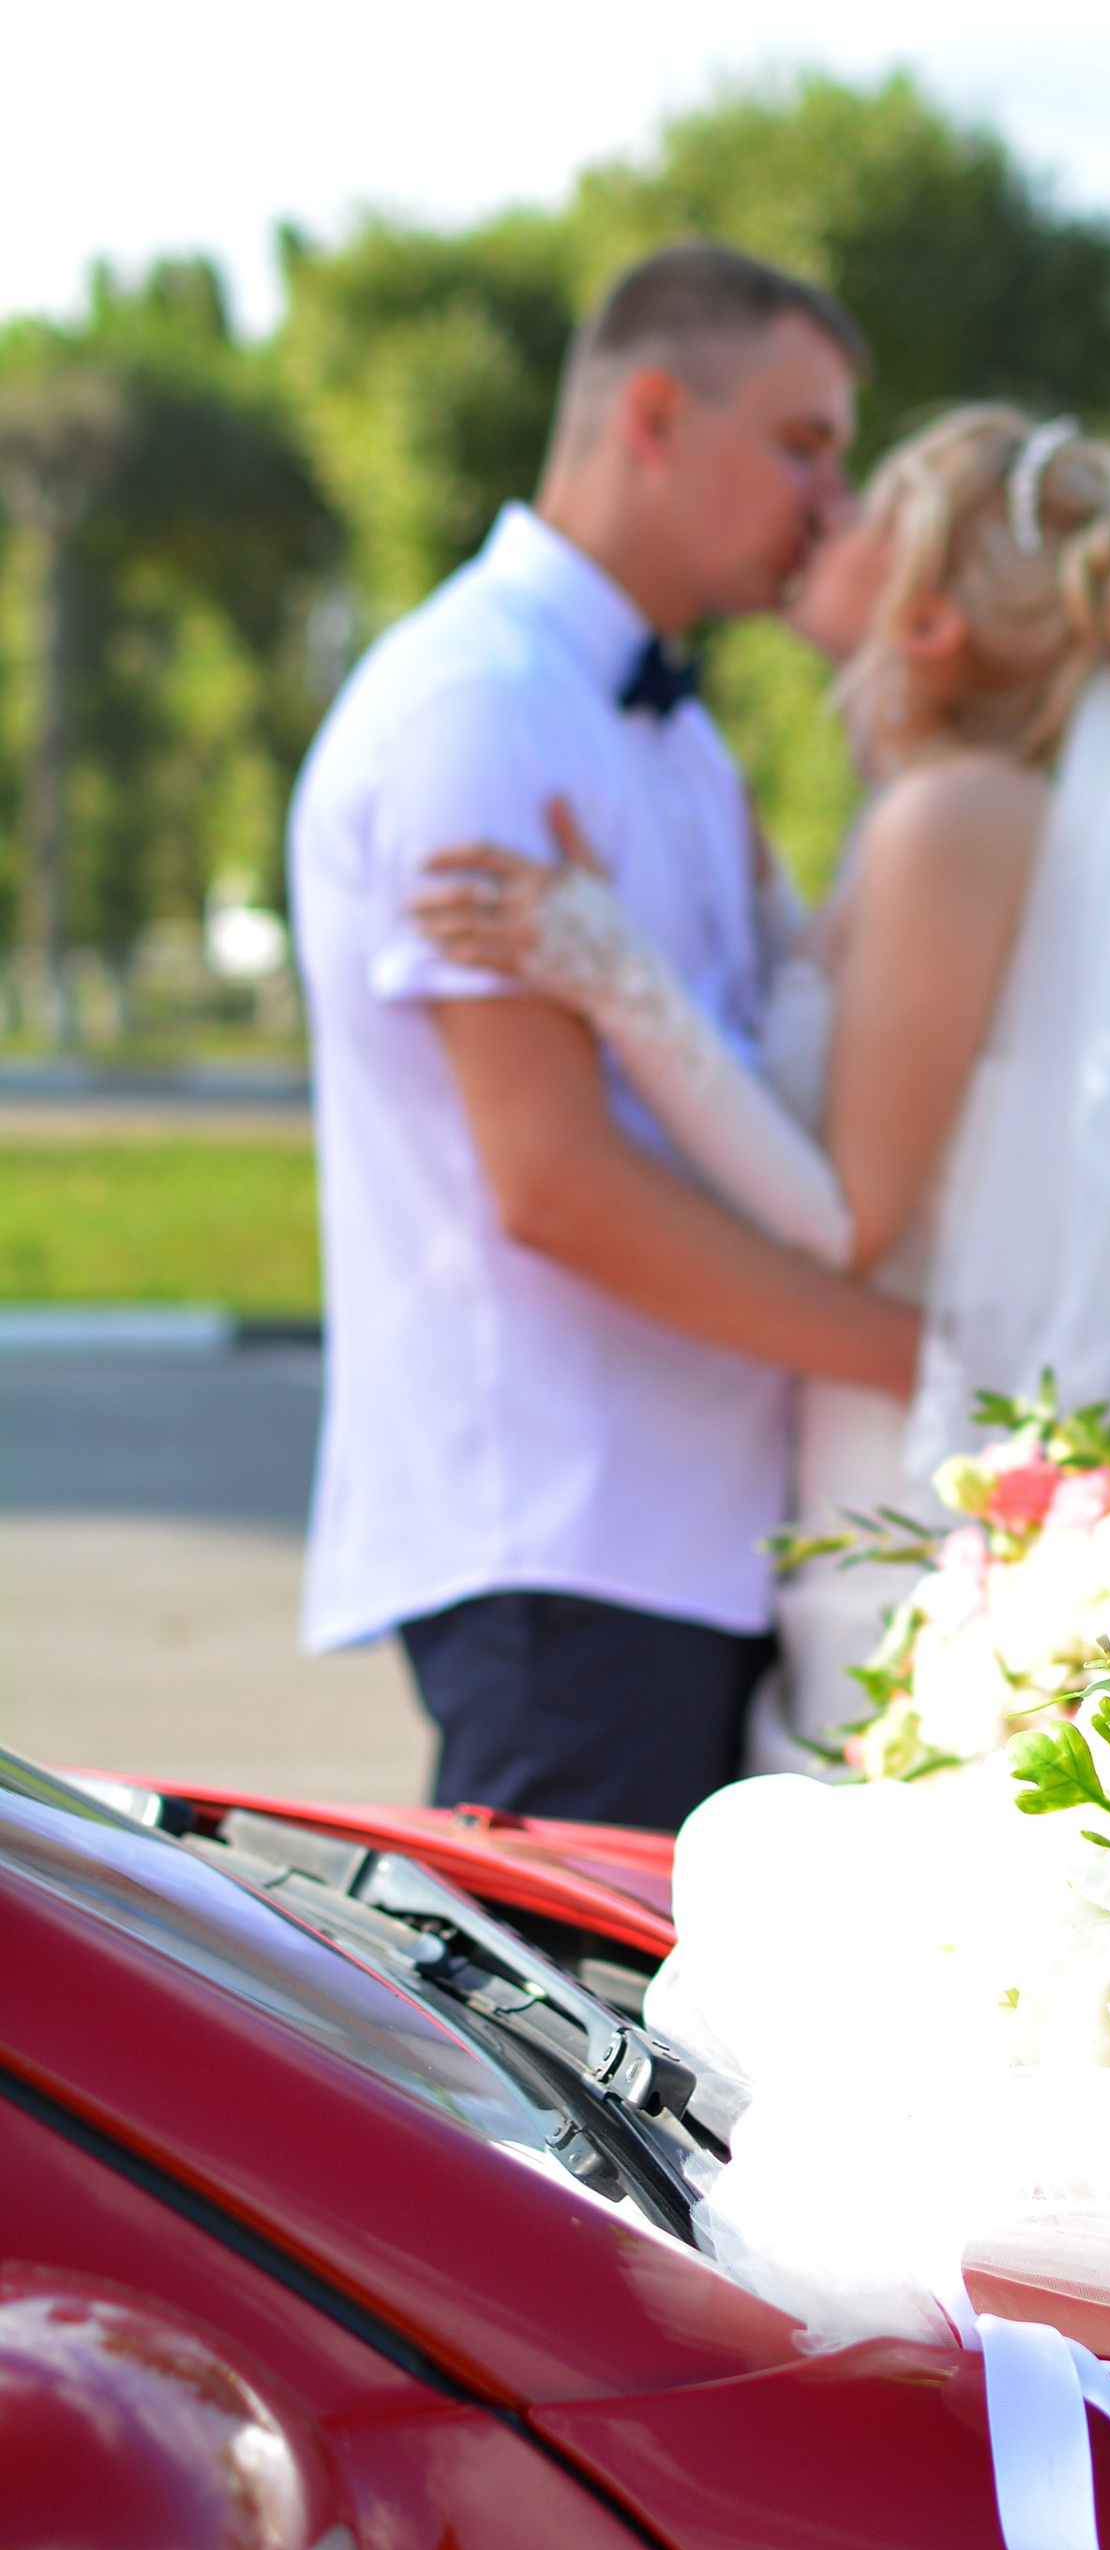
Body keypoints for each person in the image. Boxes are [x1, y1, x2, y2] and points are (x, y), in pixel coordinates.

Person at [408, 402, 1110, 1765]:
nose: (830, 512)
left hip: (900, 1461)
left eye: (872, 504)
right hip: (878, 1441)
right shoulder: (943, 807)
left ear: (928, 626)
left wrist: (615, 975)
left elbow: (844, 1216)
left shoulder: (954, 813)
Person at [288, 242, 921, 1831]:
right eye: (803, 444)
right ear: (654, 413)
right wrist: (933, 1365)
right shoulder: (474, 710)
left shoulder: (676, 729)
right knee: (559, 2067)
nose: (833, 508)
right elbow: (555, 1179)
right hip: (567, 1547)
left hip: (704, 1544)